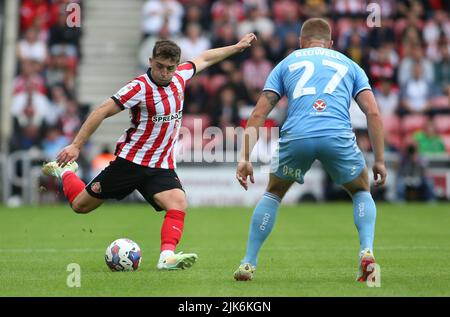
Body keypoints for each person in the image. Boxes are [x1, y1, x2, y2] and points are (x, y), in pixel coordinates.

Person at [42, 33, 257, 271]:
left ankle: (166, 257)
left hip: (161, 165)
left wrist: (236, 47)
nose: (165, 72)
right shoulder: (139, 87)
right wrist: (76, 145)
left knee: (178, 203)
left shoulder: (181, 76)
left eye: (170, 68)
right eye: (160, 67)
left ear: (177, 66)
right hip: (131, 162)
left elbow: (205, 57)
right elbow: (102, 110)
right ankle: (66, 172)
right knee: (80, 206)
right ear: (150, 61)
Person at [233, 18, 387, 282]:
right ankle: (366, 250)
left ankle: (248, 262)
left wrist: (245, 157)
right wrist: (380, 160)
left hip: (297, 137)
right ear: (331, 44)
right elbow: (372, 111)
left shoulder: (287, 63)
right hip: (336, 136)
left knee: (273, 193)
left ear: (301, 43)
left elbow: (259, 113)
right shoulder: (350, 65)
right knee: (361, 190)